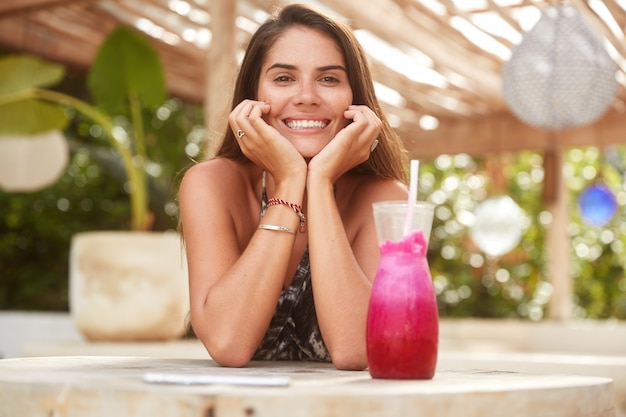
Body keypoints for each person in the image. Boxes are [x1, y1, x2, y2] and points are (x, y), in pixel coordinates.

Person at [178, 3, 409, 370]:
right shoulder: (211, 185)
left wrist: (318, 181)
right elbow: (228, 342)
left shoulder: (387, 200)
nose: (306, 97)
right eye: (284, 78)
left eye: (329, 79)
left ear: (356, 98)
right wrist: (289, 182)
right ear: (252, 97)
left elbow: (356, 350)